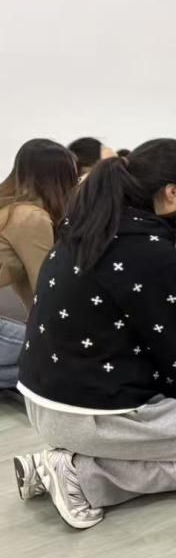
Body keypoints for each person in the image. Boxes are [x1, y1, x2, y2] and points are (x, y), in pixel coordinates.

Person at [12, 140, 176, 531]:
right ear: (172, 192)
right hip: (91, 413)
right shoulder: (148, 250)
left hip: (43, 398)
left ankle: (60, 465)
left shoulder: (86, 226)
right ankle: (83, 474)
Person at [0, 140, 79, 388]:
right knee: (64, 359)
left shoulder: (10, 208)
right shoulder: (31, 217)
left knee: (44, 360)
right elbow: (45, 291)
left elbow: (30, 289)